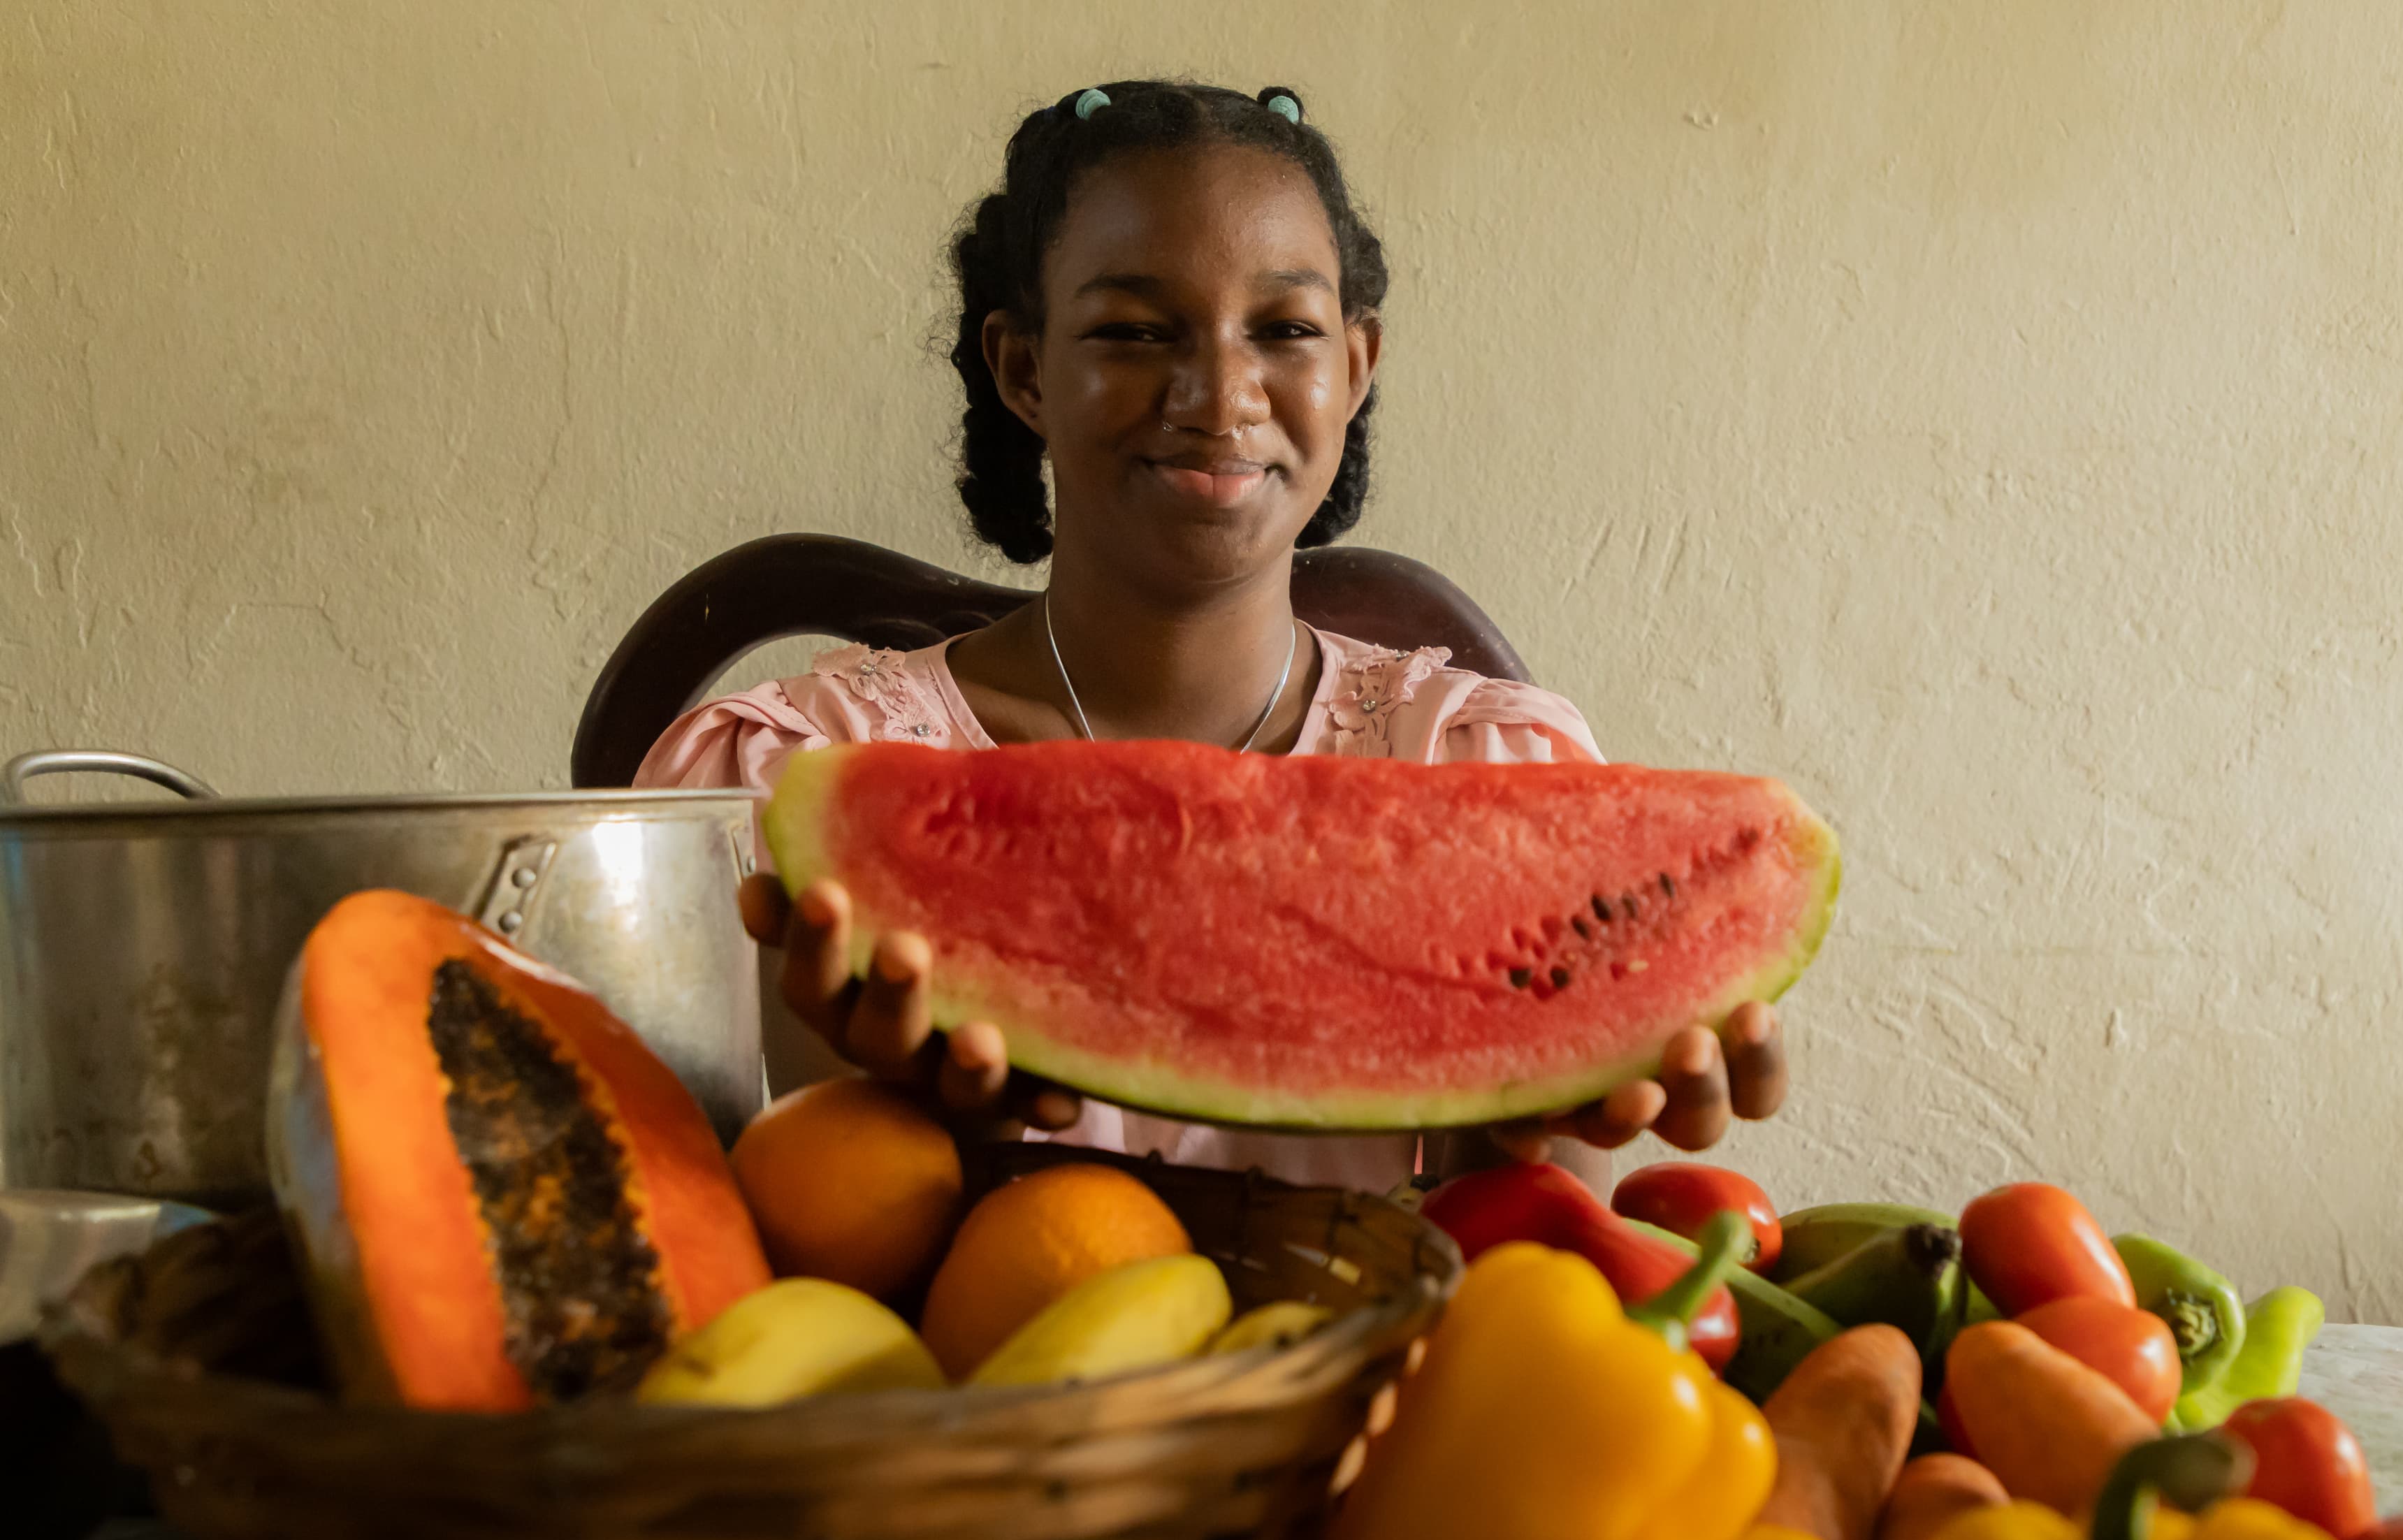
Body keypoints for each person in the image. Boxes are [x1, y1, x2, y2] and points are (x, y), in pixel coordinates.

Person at [637, 80, 1785, 1194]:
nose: (1221, 391)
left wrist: (1544, 1109)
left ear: (1353, 368)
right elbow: (715, 1241)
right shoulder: (789, 775)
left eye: (1283, 327)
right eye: (1137, 330)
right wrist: (886, 1107)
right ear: (1024, 369)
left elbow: (1536, 1267)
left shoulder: (1487, 769)